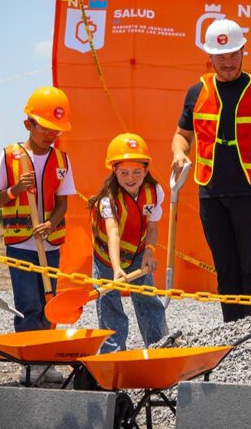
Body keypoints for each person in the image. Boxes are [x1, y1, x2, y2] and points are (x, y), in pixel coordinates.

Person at [171, 18, 251, 323]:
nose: (227, 62)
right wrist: (178, 153)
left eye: (233, 54)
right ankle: (232, 331)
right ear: (210, 57)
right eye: (221, 56)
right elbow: (181, 134)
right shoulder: (196, 91)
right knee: (224, 268)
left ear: (243, 51)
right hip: (211, 192)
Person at [0, 86, 75, 382]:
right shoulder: (10, 156)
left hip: (50, 246)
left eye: (56, 129)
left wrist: (50, 223)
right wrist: (15, 190)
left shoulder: (62, 160)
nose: (51, 134)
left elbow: (63, 203)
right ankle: (31, 362)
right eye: (46, 128)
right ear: (29, 124)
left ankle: (47, 360)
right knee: (29, 304)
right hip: (21, 247)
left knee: (50, 303)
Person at [89, 133, 168, 352]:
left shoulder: (155, 192)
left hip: (137, 255)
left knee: (148, 300)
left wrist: (149, 252)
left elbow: (152, 227)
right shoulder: (108, 199)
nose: (130, 178)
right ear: (114, 170)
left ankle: (159, 346)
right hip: (107, 258)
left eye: (136, 172)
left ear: (146, 169)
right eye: (124, 172)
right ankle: (113, 354)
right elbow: (113, 231)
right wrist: (115, 268)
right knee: (109, 303)